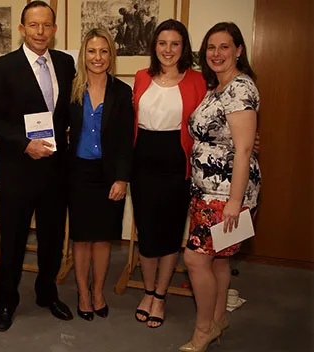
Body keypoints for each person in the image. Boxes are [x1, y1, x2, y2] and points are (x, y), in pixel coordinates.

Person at [0, 1, 76, 332]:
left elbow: (68, 112)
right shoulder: (2, 67)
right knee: (12, 240)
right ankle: (6, 301)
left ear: (54, 29)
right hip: (17, 169)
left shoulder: (67, 64)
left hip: (55, 169)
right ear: (22, 29)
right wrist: (26, 144)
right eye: (33, 25)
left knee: (52, 240)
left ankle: (47, 293)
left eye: (46, 25)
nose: (40, 32)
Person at [180, 22, 260, 352]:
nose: (216, 53)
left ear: (239, 50)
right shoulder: (219, 87)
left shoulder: (241, 88)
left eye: (224, 47)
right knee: (220, 260)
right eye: (211, 47)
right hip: (207, 190)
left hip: (226, 195)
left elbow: (242, 149)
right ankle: (217, 320)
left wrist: (234, 202)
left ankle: (203, 331)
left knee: (195, 260)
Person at [131, 19, 206, 328]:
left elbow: (212, 121)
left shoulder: (197, 81)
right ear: (155, 46)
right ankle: (147, 291)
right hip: (142, 161)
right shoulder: (140, 77)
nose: (168, 49)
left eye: (175, 44)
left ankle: (161, 296)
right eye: (163, 43)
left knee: (170, 233)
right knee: (147, 232)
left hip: (176, 162)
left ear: (183, 48)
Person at [68, 28, 134, 321]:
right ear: (85, 55)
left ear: (111, 56)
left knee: (104, 238)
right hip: (78, 172)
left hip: (109, 176)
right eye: (92, 51)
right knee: (82, 238)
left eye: (104, 51)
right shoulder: (70, 89)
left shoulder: (121, 92)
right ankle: (83, 292)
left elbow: (124, 141)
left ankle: (98, 292)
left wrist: (121, 178)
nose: (98, 57)